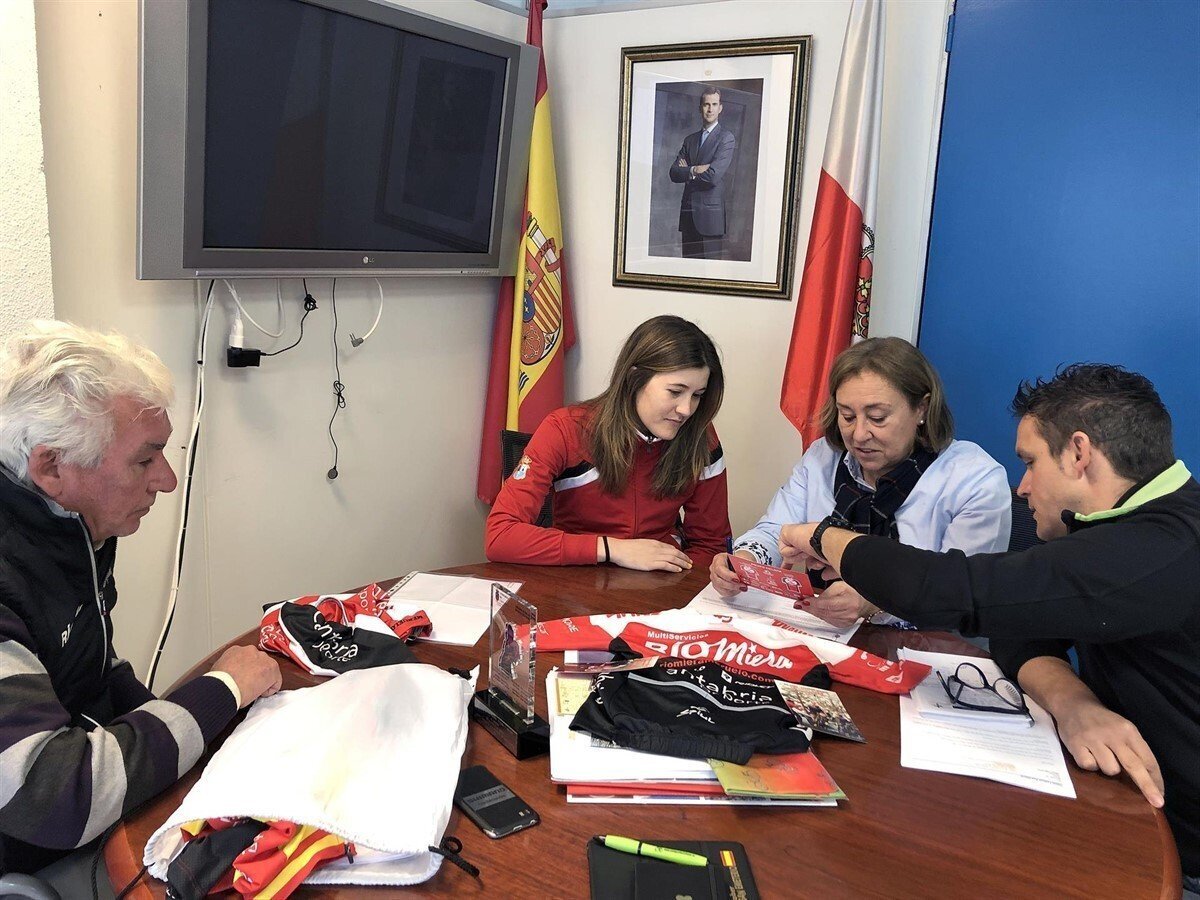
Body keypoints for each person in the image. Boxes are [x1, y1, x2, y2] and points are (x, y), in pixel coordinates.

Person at [776, 364, 1199, 887]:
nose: (1023, 487)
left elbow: (948, 592)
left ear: (1079, 453)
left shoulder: (1158, 550)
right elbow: (1019, 624)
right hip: (1127, 800)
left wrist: (821, 536)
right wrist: (1073, 702)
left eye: (1030, 463)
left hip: (1182, 851)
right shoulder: (1123, 523)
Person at [0, 321, 282, 875]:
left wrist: (204, 734)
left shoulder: (66, 527)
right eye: (145, 459)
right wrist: (220, 691)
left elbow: (91, 669)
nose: (168, 480)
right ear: (52, 466)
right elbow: (54, 797)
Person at [709, 337, 1011, 629]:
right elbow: (775, 530)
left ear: (921, 408)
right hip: (823, 628)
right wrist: (743, 561)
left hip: (927, 643)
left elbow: (957, 594)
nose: (859, 434)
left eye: (877, 418)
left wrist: (872, 603)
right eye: (847, 416)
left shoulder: (974, 481)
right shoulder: (823, 457)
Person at [485, 315, 730, 571]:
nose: (686, 409)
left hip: (663, 581)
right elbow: (500, 536)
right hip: (576, 576)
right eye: (675, 392)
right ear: (634, 379)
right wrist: (613, 549)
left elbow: (711, 545)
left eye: (697, 395)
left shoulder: (701, 437)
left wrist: (683, 585)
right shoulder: (565, 429)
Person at [668, 87, 737, 259]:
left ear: (720, 108)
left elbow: (713, 176)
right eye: (706, 104)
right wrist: (695, 169)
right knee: (688, 270)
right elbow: (674, 172)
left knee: (710, 271)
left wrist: (687, 171)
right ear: (700, 108)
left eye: (714, 104)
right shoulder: (689, 140)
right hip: (688, 216)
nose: (710, 109)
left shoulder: (726, 138)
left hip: (710, 220)